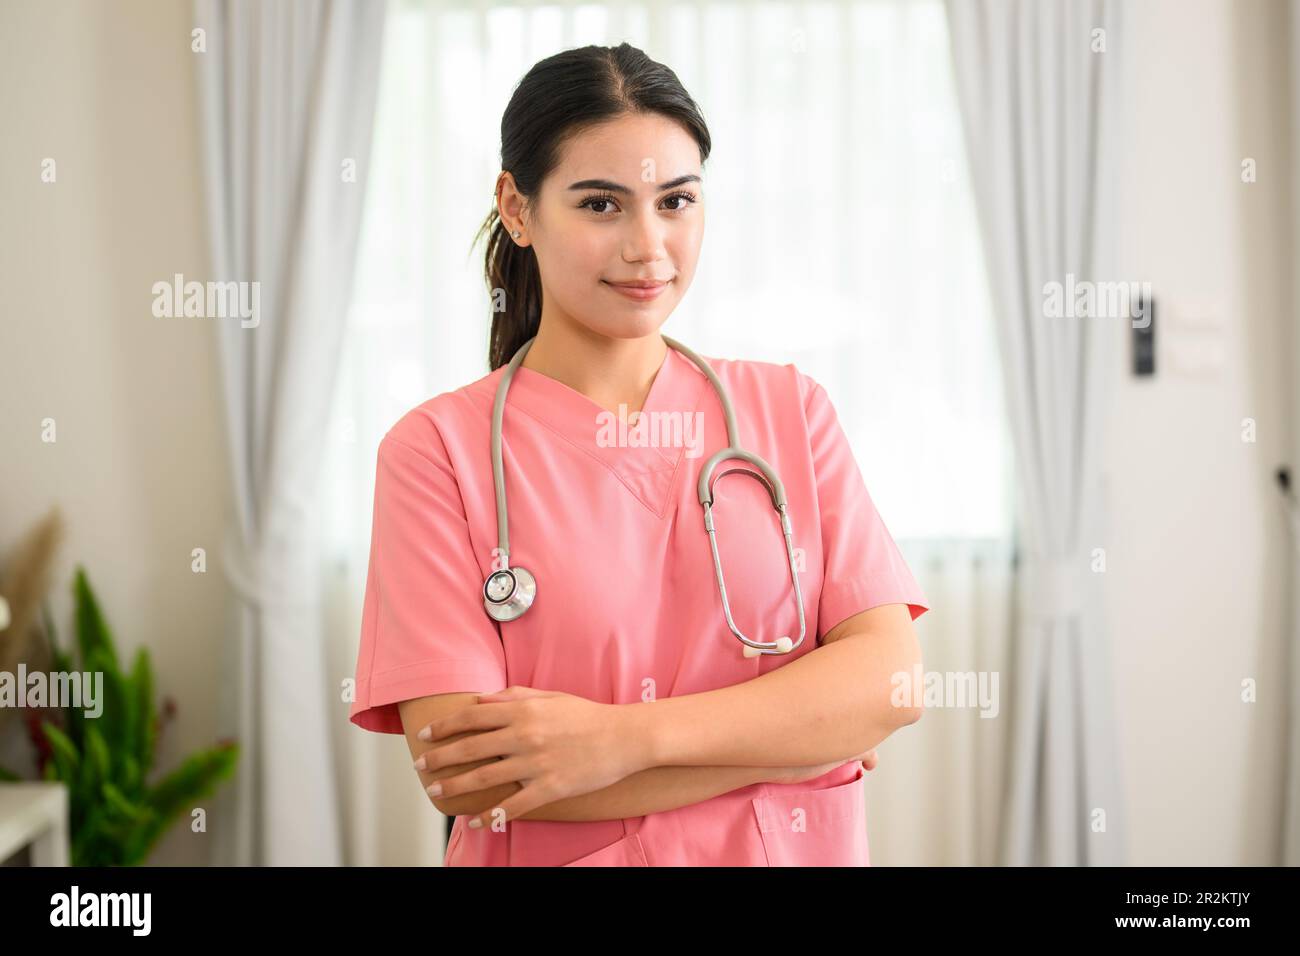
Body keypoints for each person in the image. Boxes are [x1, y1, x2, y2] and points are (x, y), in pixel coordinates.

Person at [348, 42, 930, 866]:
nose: (647, 246)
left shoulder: (789, 411)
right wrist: (803, 744)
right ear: (517, 208)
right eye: (600, 205)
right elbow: (472, 777)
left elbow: (891, 682)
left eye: (676, 201)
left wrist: (622, 740)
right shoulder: (436, 452)